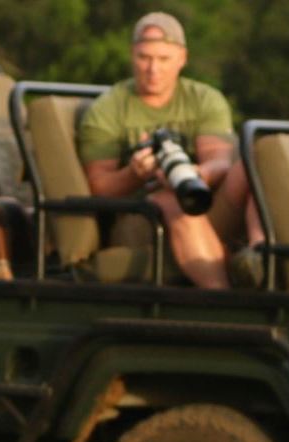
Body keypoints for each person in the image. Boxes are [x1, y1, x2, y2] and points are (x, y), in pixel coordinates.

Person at [77, 12, 245, 289]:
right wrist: (134, 174)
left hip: (204, 199)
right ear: (132, 55)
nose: (153, 69)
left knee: (250, 168)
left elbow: (220, 162)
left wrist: (195, 174)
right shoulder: (107, 108)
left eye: (164, 59)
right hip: (142, 216)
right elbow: (98, 187)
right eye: (145, 57)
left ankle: (266, 257)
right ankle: (221, 295)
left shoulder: (205, 99)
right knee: (170, 198)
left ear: (182, 58)